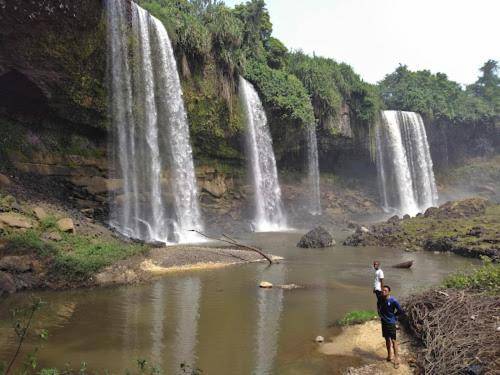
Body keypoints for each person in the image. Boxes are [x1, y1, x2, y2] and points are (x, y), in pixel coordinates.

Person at [379, 285, 404, 369]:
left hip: (391, 323)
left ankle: (396, 358)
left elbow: (400, 310)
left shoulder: (393, 300)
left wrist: (394, 316)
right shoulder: (381, 299)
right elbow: (379, 307)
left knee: (393, 340)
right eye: (382, 291)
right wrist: (380, 315)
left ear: (389, 291)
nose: (383, 292)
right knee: (386, 339)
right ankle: (389, 355)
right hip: (384, 323)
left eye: (385, 290)